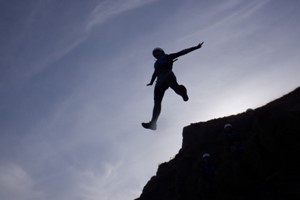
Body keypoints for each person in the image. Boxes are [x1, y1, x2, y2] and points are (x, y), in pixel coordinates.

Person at [142, 42, 204, 130]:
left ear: (161, 52)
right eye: (154, 54)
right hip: (159, 82)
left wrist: (196, 47)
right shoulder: (156, 64)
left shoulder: (167, 57)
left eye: (157, 52)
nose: (156, 55)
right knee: (157, 102)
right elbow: (155, 73)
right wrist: (151, 82)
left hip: (168, 76)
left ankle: (182, 93)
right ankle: (153, 123)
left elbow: (181, 52)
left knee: (176, 90)